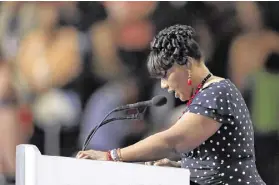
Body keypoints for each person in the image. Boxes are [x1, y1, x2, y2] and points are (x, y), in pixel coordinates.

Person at [76, 24, 266, 185]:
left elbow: (173, 142)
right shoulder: (204, 95)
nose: (164, 85)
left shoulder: (218, 92)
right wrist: (179, 167)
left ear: (187, 63)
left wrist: (111, 156)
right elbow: (215, 160)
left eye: (166, 75)